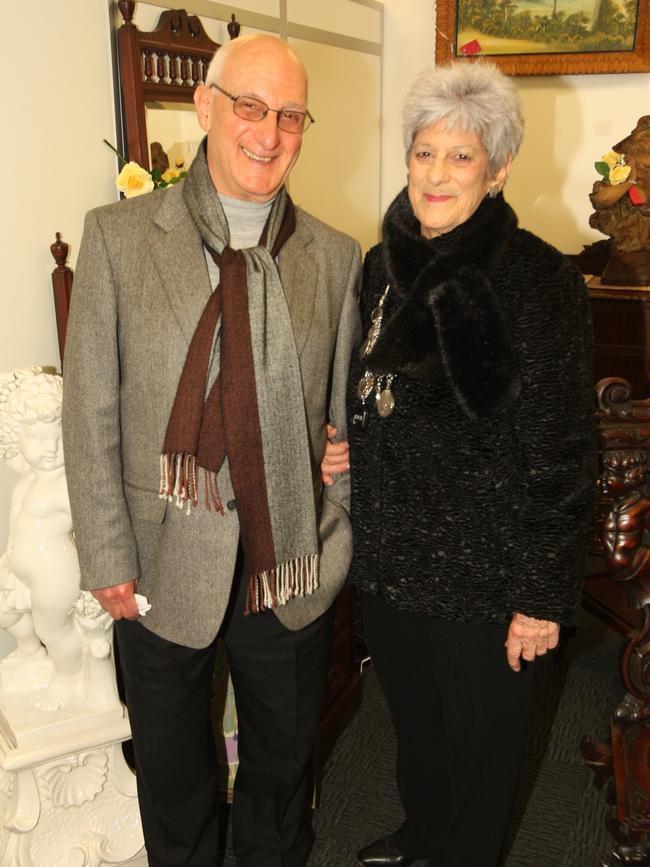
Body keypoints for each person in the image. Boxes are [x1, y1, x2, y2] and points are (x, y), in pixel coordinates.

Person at [62, 34, 361, 867]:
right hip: (158, 562)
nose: (268, 134)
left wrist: (339, 500)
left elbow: (347, 413)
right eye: (250, 107)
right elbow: (90, 410)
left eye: (290, 116)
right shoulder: (118, 238)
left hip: (289, 565)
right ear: (206, 107)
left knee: (280, 765)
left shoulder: (336, 258)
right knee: (173, 770)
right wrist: (106, 551)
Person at [346, 62, 596, 867]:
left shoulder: (537, 277)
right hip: (393, 563)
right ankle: (425, 833)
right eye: (425, 152)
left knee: (484, 753)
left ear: (498, 167)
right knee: (417, 730)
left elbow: (561, 449)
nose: (438, 172)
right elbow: (376, 390)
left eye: (461, 156)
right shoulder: (380, 266)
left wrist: (540, 597)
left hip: (489, 577)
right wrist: (341, 437)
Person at [1, 369, 83, 709]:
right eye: (37, 439)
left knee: (53, 628)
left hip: (56, 573)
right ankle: (31, 655)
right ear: (17, 437)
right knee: (7, 614)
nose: (50, 450)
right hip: (19, 568)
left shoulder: (67, 485)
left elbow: (90, 522)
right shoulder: (29, 477)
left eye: (60, 438)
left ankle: (69, 678)